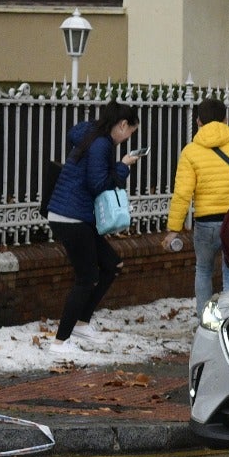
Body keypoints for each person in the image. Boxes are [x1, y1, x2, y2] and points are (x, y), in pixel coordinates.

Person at [45, 100, 141, 354]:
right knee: (87, 278)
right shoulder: (101, 144)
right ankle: (60, 341)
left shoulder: (91, 135)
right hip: (72, 217)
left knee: (112, 265)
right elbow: (98, 184)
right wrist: (123, 166)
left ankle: (81, 323)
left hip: (74, 214)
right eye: (130, 132)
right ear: (122, 125)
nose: (127, 137)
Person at [163, 98, 229, 317]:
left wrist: (173, 228)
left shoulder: (191, 152)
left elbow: (182, 194)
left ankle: (206, 321)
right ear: (226, 119)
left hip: (206, 224)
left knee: (203, 270)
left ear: (198, 121)